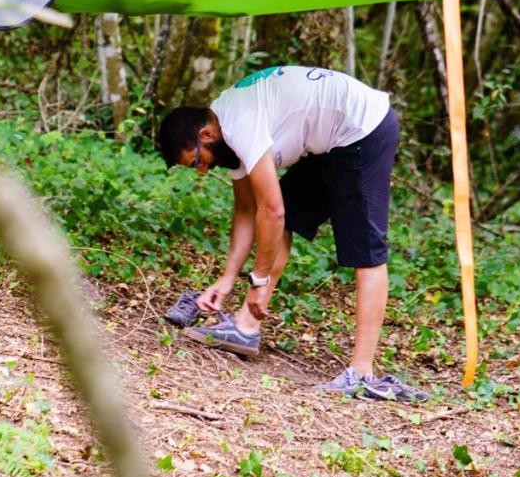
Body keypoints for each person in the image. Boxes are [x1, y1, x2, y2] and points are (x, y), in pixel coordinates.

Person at [156, 65, 428, 402]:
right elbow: (246, 211)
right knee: (281, 225)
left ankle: (361, 374)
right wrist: (226, 280)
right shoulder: (225, 127)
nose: (202, 170)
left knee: (365, 252)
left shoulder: (239, 125)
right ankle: (245, 327)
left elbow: (272, 209)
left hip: (363, 129)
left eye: (198, 161)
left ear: (206, 136)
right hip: (329, 142)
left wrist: (258, 281)